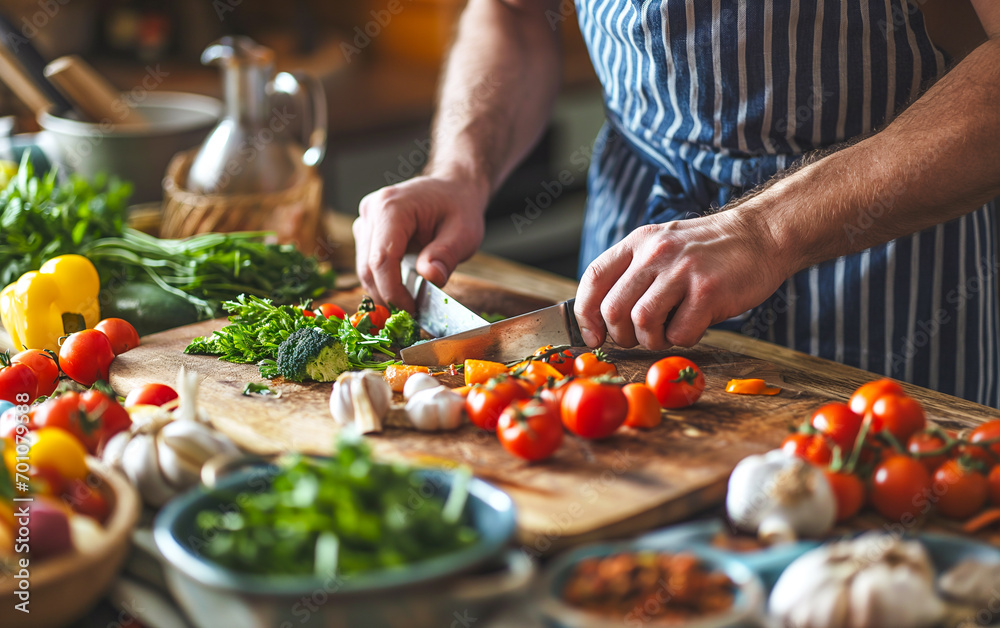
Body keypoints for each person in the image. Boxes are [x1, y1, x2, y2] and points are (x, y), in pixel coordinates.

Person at [353, 0, 1000, 407]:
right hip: (636, 249)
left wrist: (766, 228)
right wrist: (460, 169)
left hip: (877, 255)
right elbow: (515, 14)